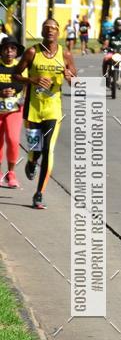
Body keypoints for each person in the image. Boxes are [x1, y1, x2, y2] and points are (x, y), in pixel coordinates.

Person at [13, 18, 77, 209]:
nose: (50, 31)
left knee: (48, 149)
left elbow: (75, 80)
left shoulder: (65, 54)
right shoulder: (32, 52)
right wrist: (33, 80)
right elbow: (16, 74)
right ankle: (31, 162)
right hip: (33, 110)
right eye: (46, 28)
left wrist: (70, 77)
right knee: (36, 150)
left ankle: (39, 193)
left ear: (58, 33)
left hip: (53, 110)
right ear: (42, 31)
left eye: (54, 28)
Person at [0, 37, 27, 188]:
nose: (9, 52)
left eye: (13, 49)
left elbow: (26, 87)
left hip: (14, 110)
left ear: (16, 52)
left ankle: (11, 173)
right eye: (6, 48)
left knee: (12, 139)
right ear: (1, 51)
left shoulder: (21, 68)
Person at [102, 17, 121, 86]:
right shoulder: (110, 34)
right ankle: (105, 77)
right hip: (111, 53)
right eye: (117, 25)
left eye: (120, 25)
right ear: (115, 25)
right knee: (105, 59)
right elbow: (106, 43)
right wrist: (104, 47)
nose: (119, 27)